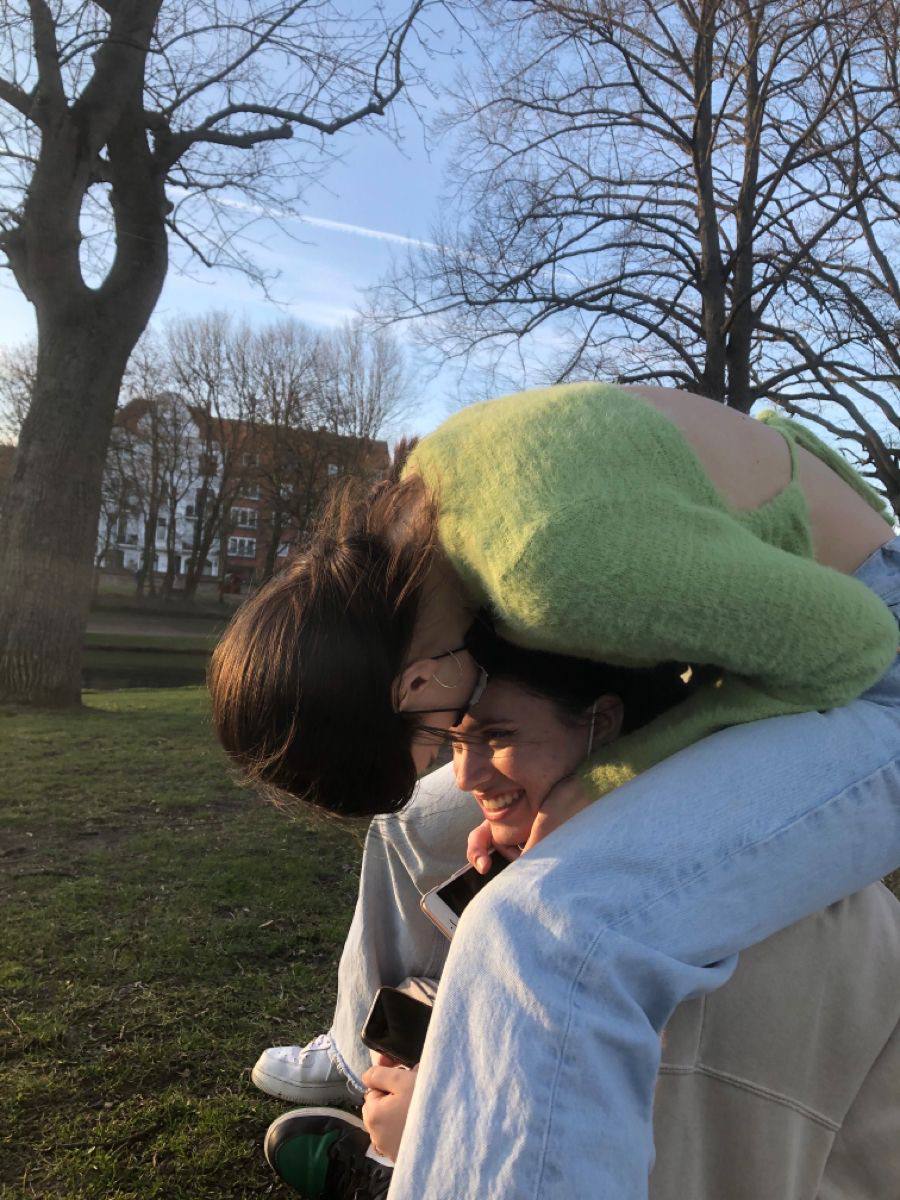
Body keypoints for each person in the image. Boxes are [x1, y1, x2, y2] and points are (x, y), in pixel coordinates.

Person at [210, 383, 900, 1197]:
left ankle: (426, 1145)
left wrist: (606, 782)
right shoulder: (425, 518)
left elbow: (850, 647)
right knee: (420, 824)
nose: (456, 762)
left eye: (436, 739)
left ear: (414, 683)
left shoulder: (548, 568)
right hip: (796, 622)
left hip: (873, 666)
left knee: (544, 930)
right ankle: (368, 1064)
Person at [258, 628, 900, 1200]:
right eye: (456, 741)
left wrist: (435, 1135)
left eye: (497, 736)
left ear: (604, 723)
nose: (465, 776)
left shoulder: (675, 965)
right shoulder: (689, 834)